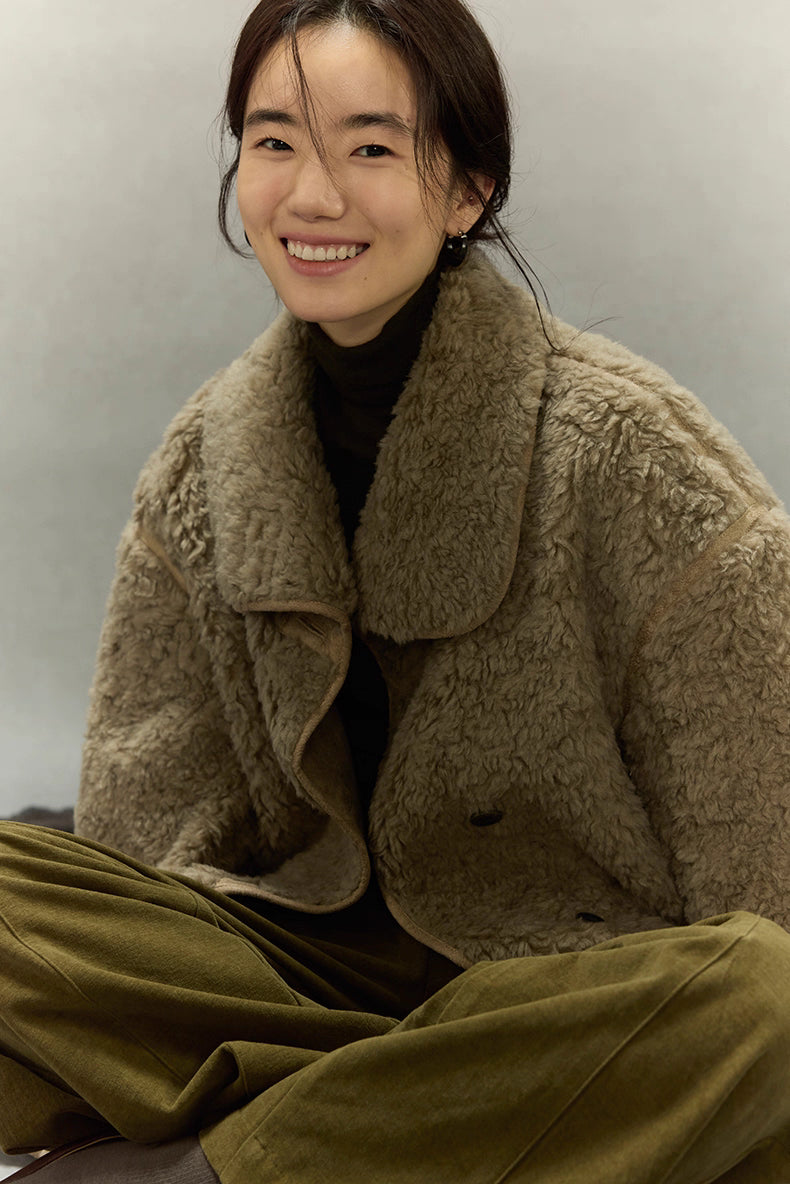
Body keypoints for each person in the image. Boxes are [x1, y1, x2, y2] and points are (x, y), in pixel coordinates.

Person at [1, 0, 790, 1180]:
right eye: (273, 143)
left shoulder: (636, 454)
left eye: (369, 147)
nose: (311, 197)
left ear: (468, 188)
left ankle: (218, 1164)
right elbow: (146, 841)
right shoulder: (202, 467)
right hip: (297, 991)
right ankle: (393, 1127)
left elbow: (764, 858)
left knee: (762, 991)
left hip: (557, 1004)